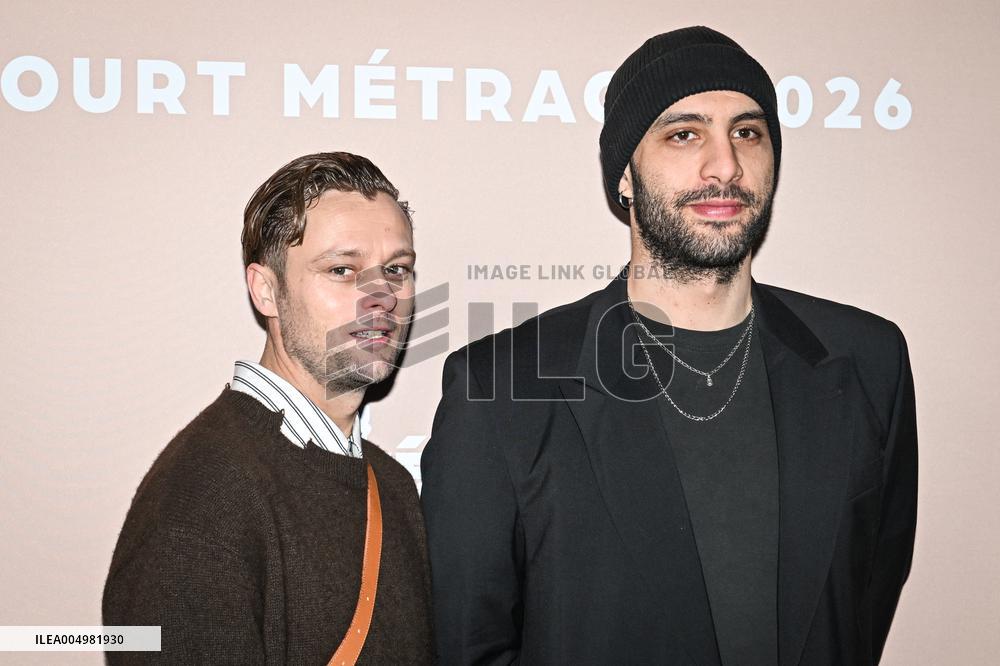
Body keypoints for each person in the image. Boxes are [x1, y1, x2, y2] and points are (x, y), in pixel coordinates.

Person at [421, 27, 917, 665]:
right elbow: (470, 647)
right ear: (625, 176)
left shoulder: (869, 361)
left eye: (748, 132)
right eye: (685, 134)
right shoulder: (501, 388)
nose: (725, 165)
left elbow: (867, 599)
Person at [103, 152, 434, 664]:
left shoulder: (391, 484)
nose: (381, 296)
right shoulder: (203, 494)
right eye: (342, 269)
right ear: (266, 290)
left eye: (396, 269)